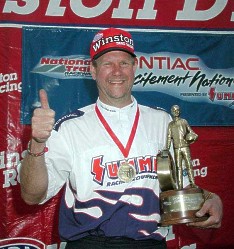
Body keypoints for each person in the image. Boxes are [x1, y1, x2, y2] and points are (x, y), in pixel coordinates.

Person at [19, 28, 223, 249]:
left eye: (124, 63)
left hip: (149, 243)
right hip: (90, 243)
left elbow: (179, 184)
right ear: (93, 71)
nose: (117, 71)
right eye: (107, 64)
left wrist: (209, 197)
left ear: (135, 68)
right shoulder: (69, 127)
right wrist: (37, 143)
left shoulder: (162, 121)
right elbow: (32, 195)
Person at [166, 105, 198, 189]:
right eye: (174, 110)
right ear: (172, 112)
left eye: (177, 110)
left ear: (179, 111)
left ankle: (192, 183)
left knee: (189, 165)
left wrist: (193, 138)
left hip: (185, 147)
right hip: (176, 148)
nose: (176, 112)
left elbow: (191, 132)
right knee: (178, 167)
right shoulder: (170, 125)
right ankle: (180, 186)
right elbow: (169, 137)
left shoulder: (184, 121)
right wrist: (167, 148)